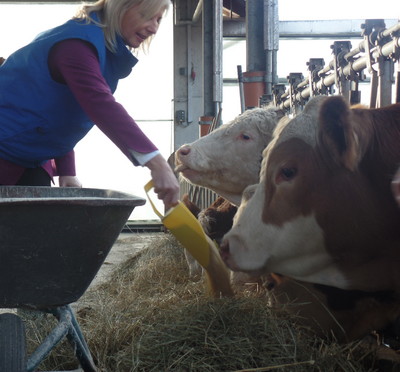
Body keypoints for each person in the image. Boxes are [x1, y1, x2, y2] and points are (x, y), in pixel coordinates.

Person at [0, 0, 179, 209]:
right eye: (147, 16)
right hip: (6, 153)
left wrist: (67, 170)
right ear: (121, 8)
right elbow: (99, 103)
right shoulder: (75, 44)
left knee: (34, 229)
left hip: (30, 159)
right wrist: (158, 164)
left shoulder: (96, 46)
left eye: (158, 20)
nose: (154, 28)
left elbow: (59, 111)